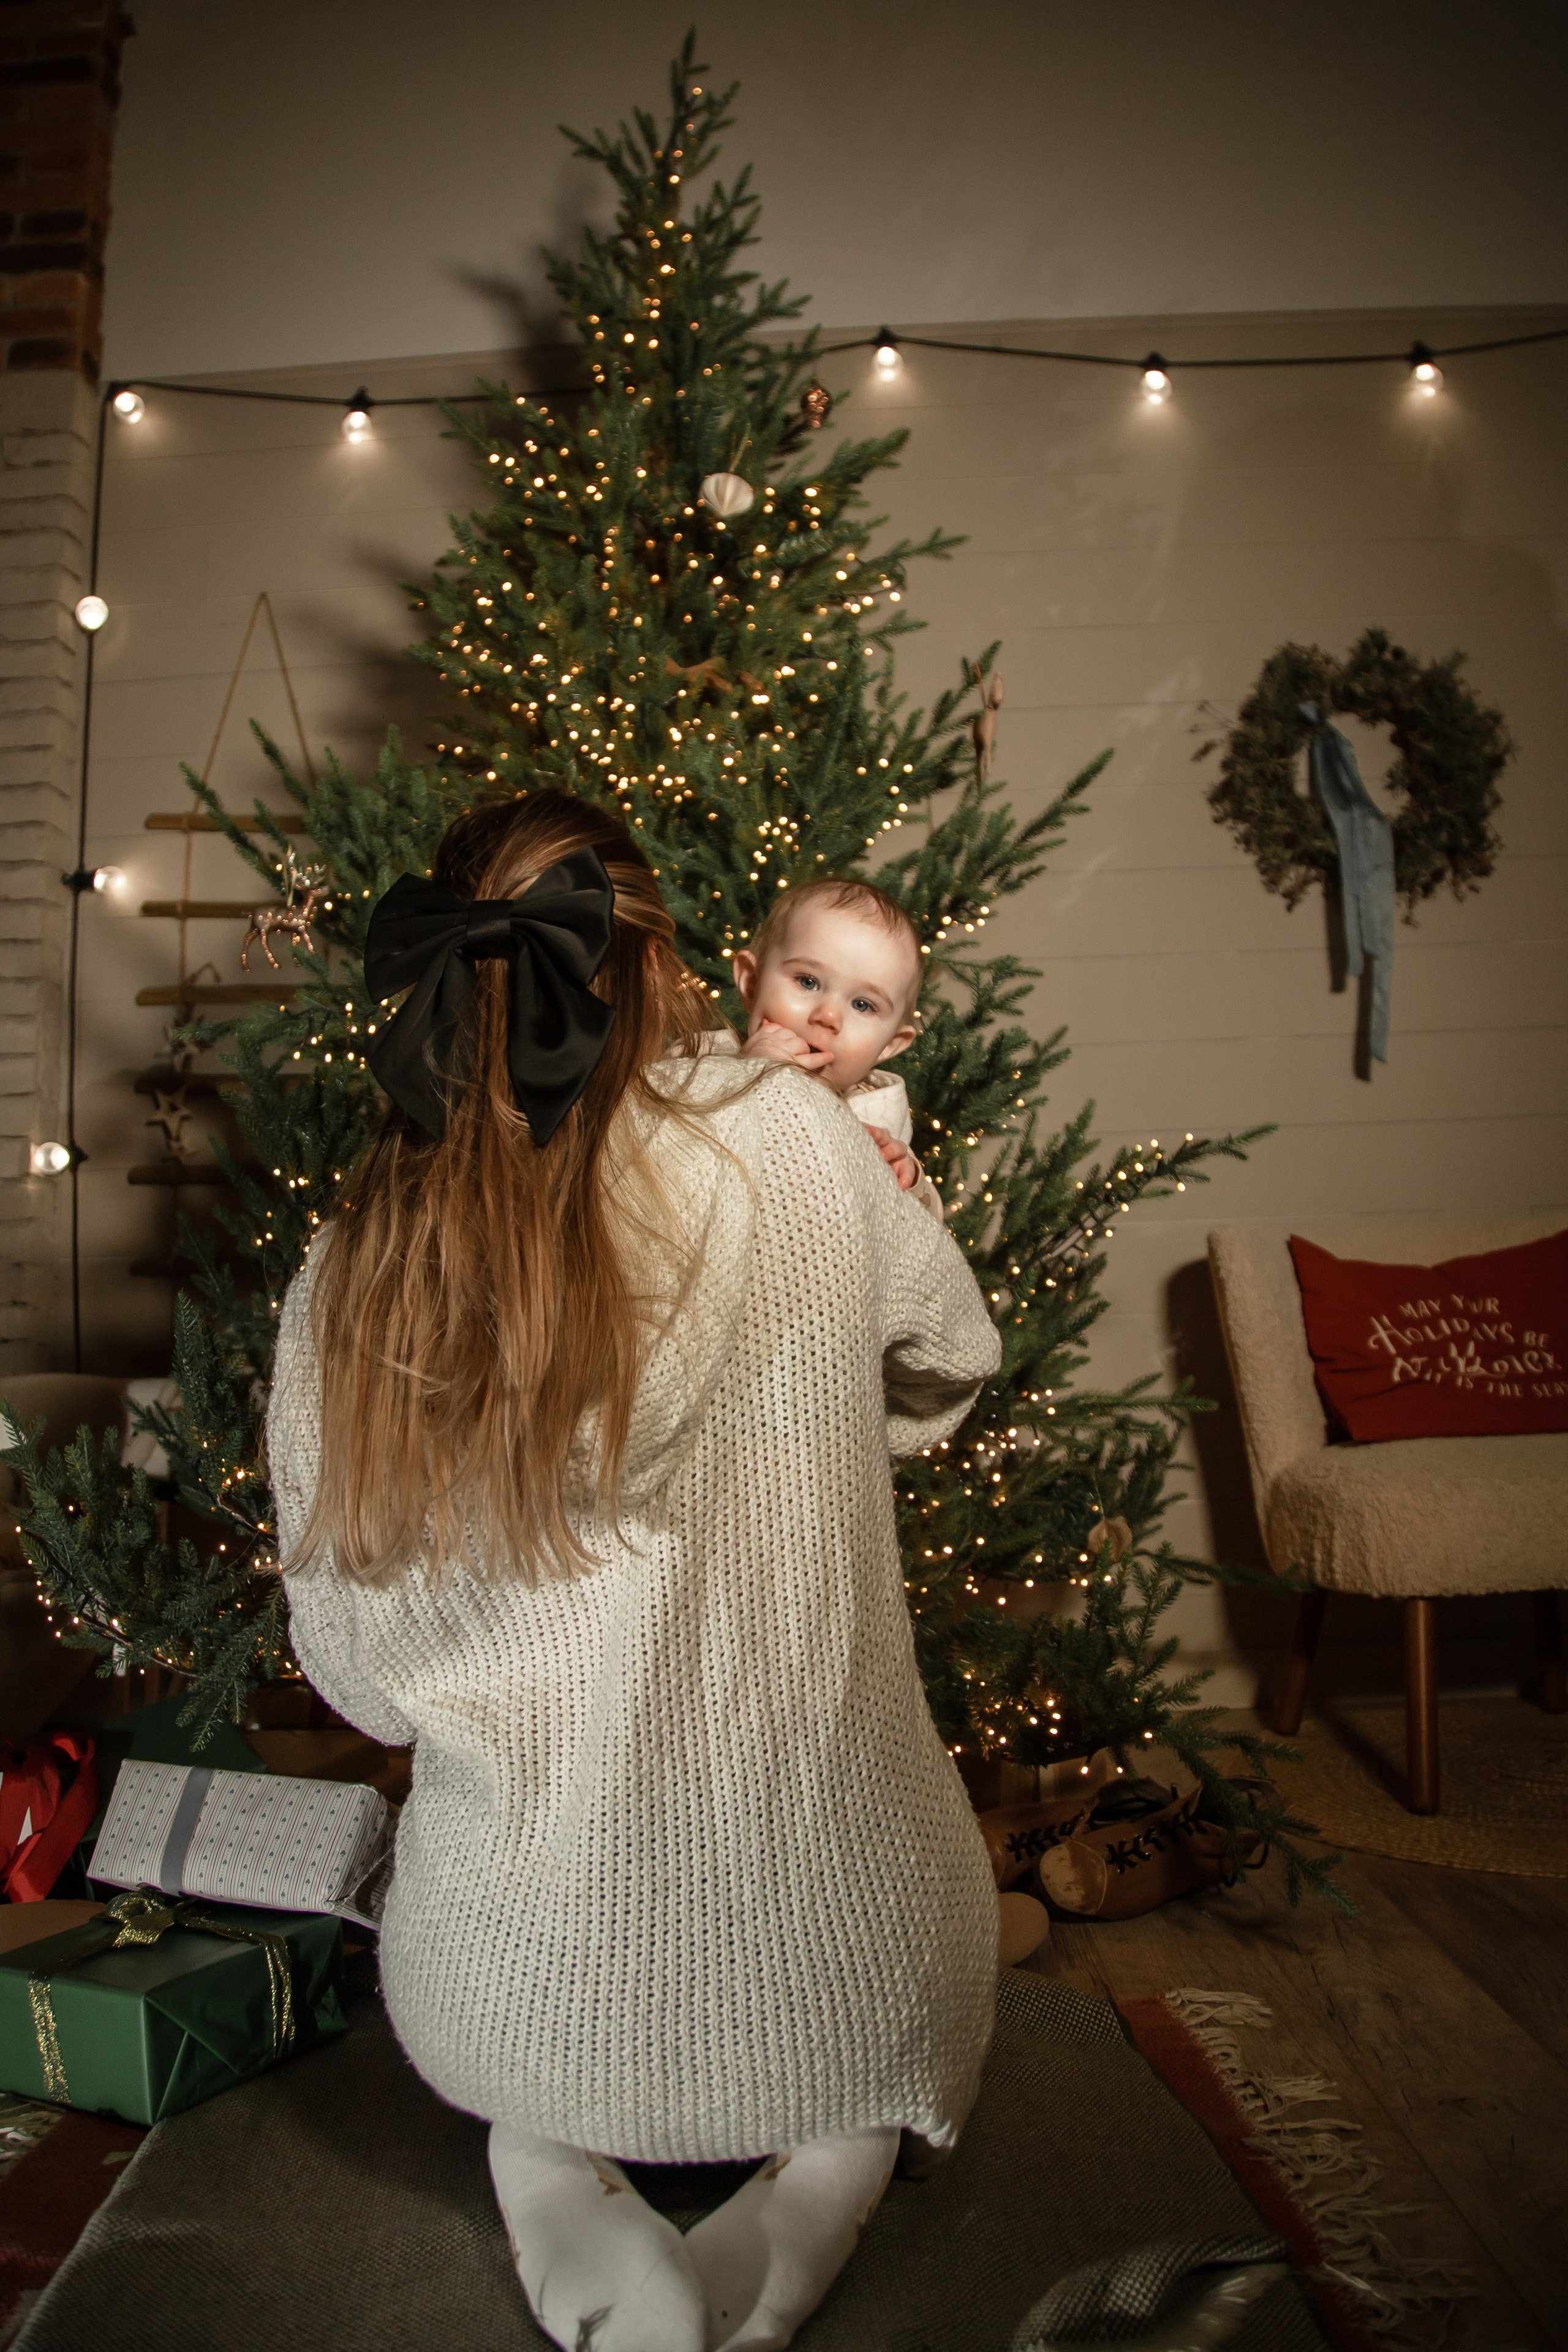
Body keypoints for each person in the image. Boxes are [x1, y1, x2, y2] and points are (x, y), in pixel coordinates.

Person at [265, 791, 1001, 2352]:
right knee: (860, 2045)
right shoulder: (802, 1135)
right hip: (840, 1931)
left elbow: (352, 1668)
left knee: (530, 2069)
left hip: (514, 1953)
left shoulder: (364, 1242)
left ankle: (556, 2174)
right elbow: (947, 1365)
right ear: (662, 959)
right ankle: (812, 2193)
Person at [731, 876, 943, 1218]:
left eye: (862, 1005)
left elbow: (920, 1240)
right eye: (808, 982)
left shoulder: (880, 1115)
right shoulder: (701, 1061)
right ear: (752, 983)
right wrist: (751, 1075)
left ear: (889, 1045)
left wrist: (912, 1182)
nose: (828, 1016)